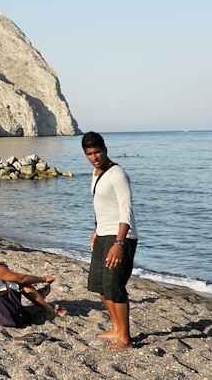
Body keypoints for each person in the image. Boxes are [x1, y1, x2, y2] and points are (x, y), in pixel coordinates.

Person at [82, 131, 139, 350]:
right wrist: (96, 230)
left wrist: (119, 244)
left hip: (120, 237)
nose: (94, 157)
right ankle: (116, 328)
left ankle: (125, 338)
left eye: (97, 152)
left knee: (115, 287)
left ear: (105, 149)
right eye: (89, 153)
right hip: (103, 235)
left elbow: (126, 211)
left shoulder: (118, 174)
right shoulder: (96, 173)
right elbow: (102, 206)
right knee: (101, 286)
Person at [0, 231, 66, 323]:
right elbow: (22, 278)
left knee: (5, 280)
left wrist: (0, 270)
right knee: (20, 284)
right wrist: (43, 279)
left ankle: (38, 296)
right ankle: (48, 309)